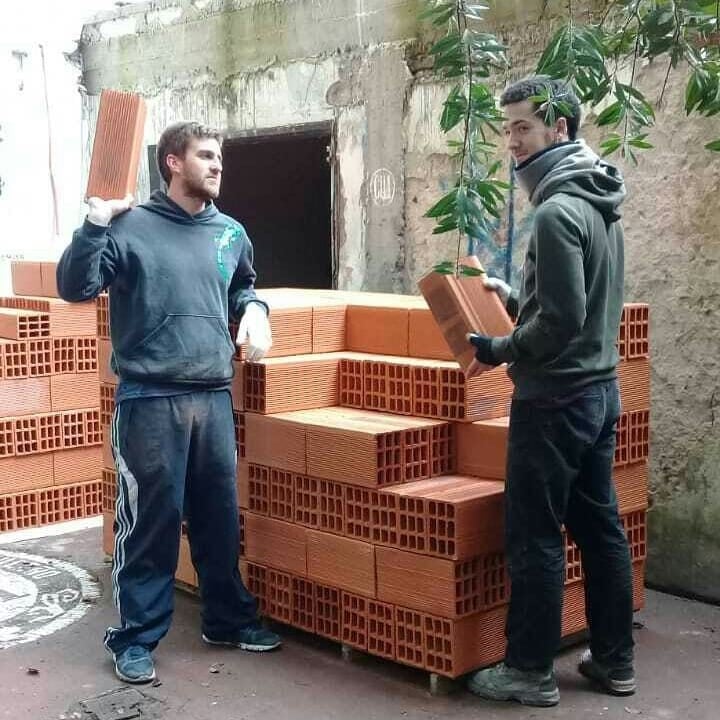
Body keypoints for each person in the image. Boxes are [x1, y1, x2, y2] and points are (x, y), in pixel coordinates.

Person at [57, 121, 281, 684]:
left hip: (211, 396)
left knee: (218, 520)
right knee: (151, 523)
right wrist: (94, 224)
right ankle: (134, 638)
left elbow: (241, 286)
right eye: (205, 156)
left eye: (220, 157)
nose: (217, 166)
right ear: (173, 163)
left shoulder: (231, 232)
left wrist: (255, 310)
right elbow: (74, 287)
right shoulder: (130, 226)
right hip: (150, 398)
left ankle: (227, 620)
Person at [464, 76, 635, 707]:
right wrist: (519, 299)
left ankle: (529, 669)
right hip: (599, 390)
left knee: (534, 533)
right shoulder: (596, 199)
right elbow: (578, 303)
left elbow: (561, 322)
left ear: (558, 127)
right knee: (600, 528)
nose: (511, 141)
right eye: (507, 127)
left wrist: (501, 347)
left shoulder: (558, 210)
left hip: (556, 396)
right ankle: (616, 661)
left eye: (523, 127)